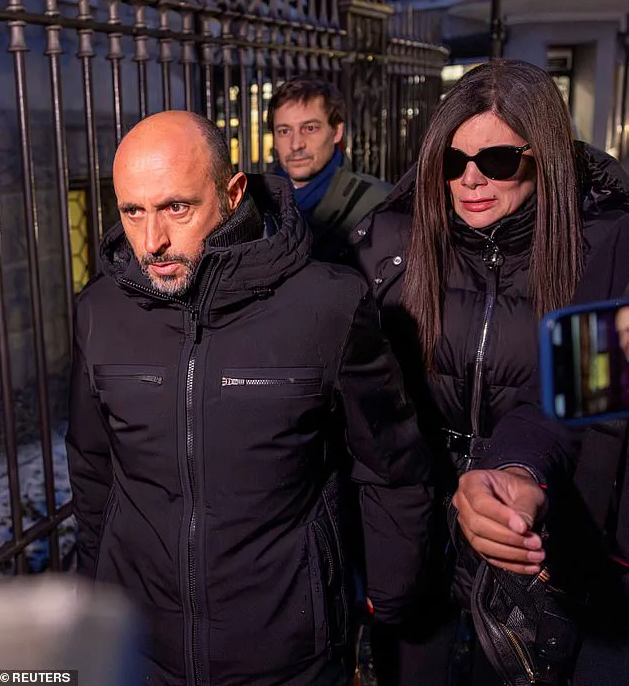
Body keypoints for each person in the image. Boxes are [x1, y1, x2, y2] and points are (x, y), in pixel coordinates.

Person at [66, 110, 432, 686]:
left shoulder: (327, 305)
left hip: (288, 654)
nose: (151, 240)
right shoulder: (99, 312)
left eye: (176, 208)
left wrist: (387, 608)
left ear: (232, 193)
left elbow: (390, 466)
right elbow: (92, 469)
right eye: (132, 211)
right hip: (142, 649)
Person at [350, 59, 629, 685]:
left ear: (544, 157)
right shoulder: (392, 246)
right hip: (420, 530)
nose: (471, 179)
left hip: (536, 538)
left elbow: (585, 402)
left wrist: (519, 478)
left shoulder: (604, 251)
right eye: (453, 161)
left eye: (498, 161)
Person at [268, 76, 391, 262]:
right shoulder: (251, 201)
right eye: (284, 131)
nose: (295, 145)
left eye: (309, 128)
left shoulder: (378, 205)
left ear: (336, 132)